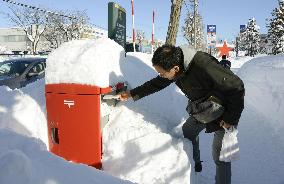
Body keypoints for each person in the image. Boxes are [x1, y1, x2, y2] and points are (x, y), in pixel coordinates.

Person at [118, 45, 245, 184]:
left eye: (162, 73)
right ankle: (195, 166)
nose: (161, 76)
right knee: (188, 131)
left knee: (220, 155)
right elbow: (157, 83)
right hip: (203, 109)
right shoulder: (175, 67)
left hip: (225, 111)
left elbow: (237, 86)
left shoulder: (203, 64)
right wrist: (131, 93)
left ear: (175, 68)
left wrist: (230, 119)